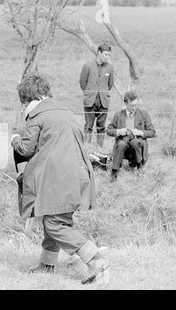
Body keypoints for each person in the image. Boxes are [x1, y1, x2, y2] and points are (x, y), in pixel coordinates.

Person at [11, 72, 109, 284]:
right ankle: (47, 265)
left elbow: (26, 149)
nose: (24, 106)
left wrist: (15, 139)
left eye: (24, 102)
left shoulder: (38, 116)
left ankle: (96, 260)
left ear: (29, 99)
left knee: (55, 224)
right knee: (55, 219)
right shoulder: (65, 111)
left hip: (60, 177)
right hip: (79, 174)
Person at [106, 91, 156, 182]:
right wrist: (118, 131)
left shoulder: (143, 114)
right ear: (125, 104)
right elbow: (108, 130)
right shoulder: (118, 114)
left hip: (137, 141)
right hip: (124, 140)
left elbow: (152, 132)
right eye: (132, 105)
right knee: (121, 144)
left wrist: (140, 132)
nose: (134, 108)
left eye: (136, 105)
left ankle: (139, 168)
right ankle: (114, 171)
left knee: (135, 142)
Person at [79, 43, 115, 148]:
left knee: (101, 127)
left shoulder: (109, 67)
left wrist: (103, 93)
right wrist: (89, 92)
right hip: (90, 100)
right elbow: (82, 82)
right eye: (105, 54)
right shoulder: (88, 65)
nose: (107, 57)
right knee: (88, 126)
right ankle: (87, 148)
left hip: (103, 101)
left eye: (109, 55)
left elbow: (110, 84)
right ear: (99, 53)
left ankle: (100, 149)